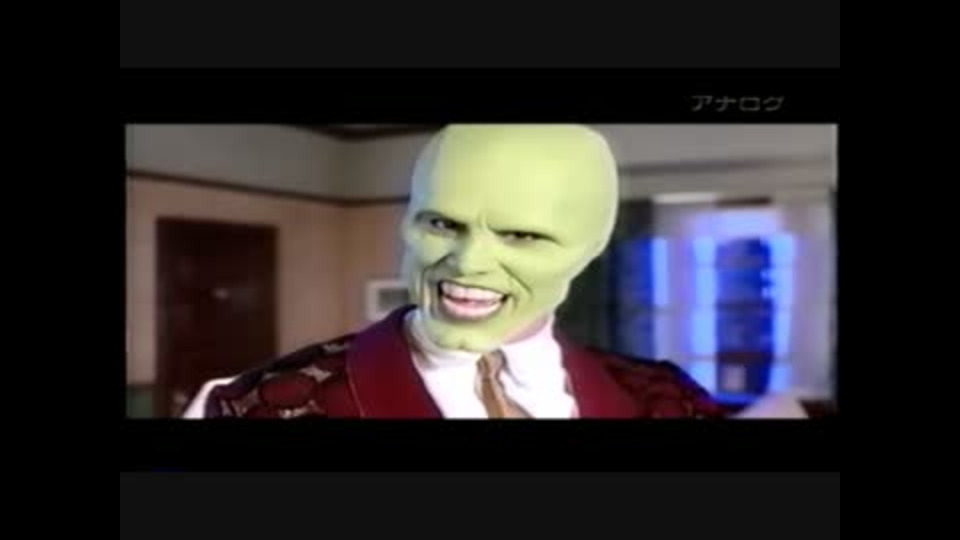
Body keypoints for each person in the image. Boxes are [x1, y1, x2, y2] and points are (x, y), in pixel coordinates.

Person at [183, 124, 806, 419]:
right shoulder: (248, 406)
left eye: (522, 235)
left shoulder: (671, 401)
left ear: (591, 246)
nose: (467, 263)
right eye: (441, 224)